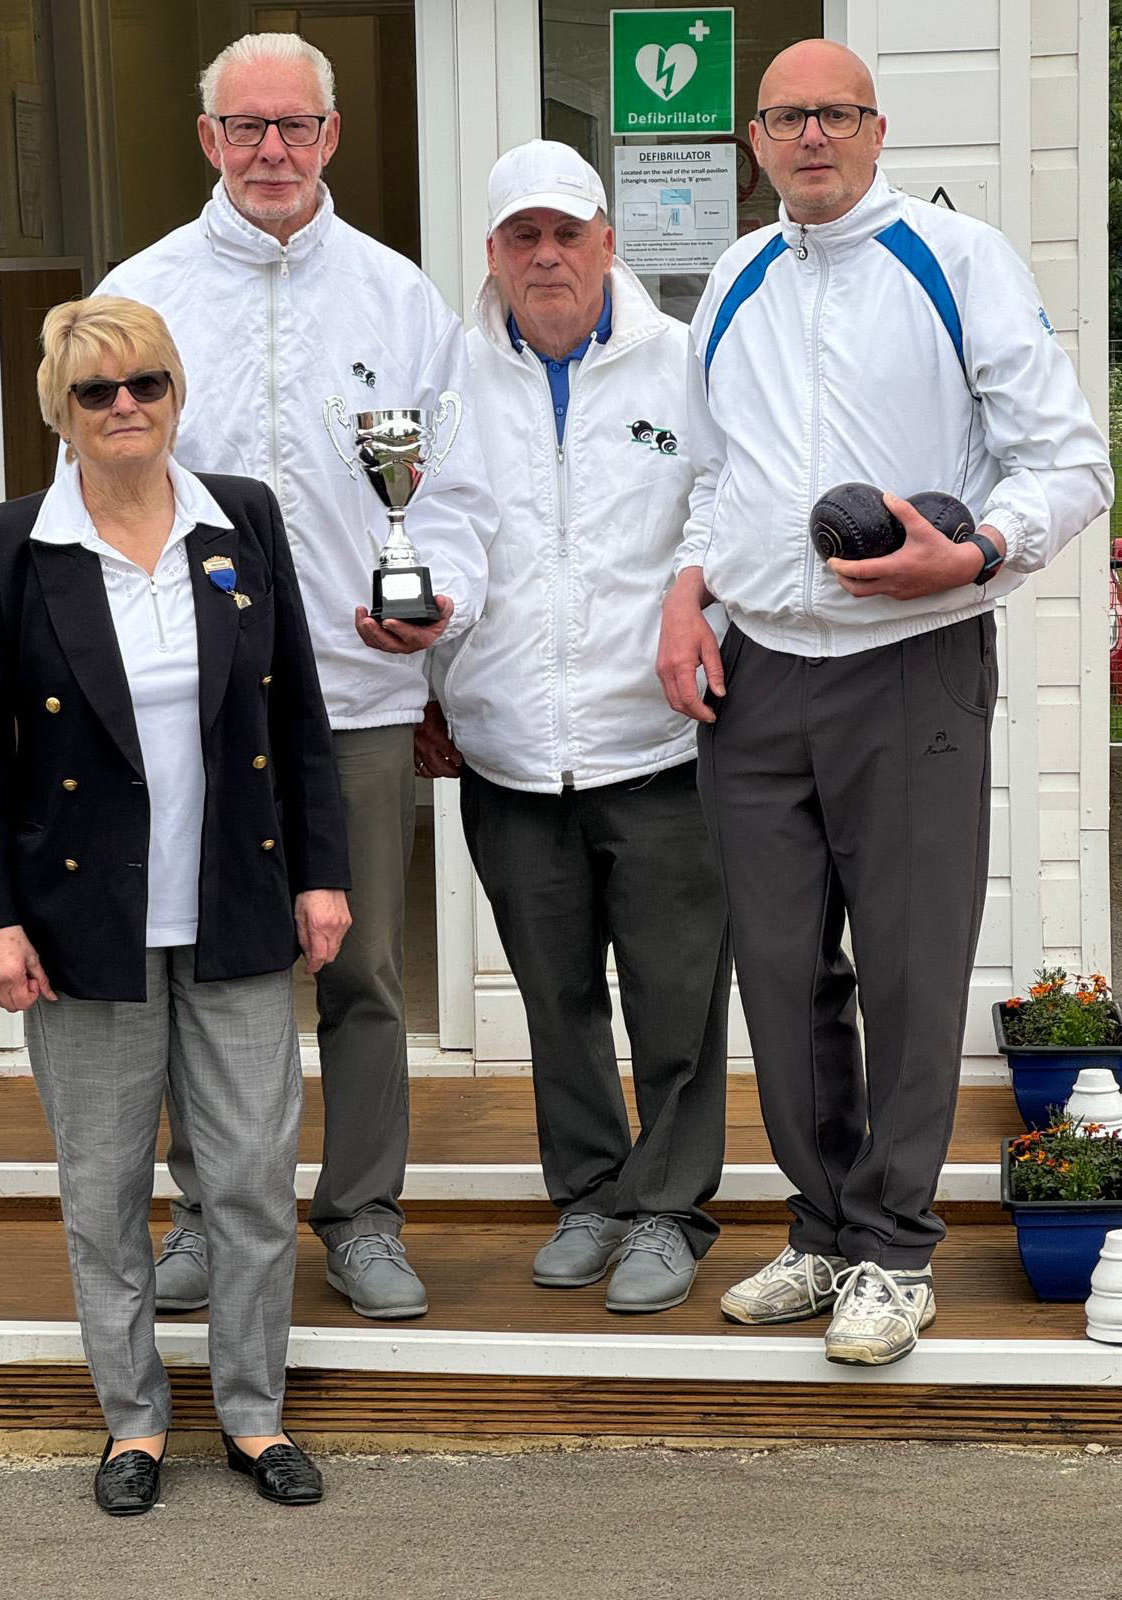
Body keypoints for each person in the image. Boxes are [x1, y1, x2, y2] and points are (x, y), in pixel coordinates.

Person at [657, 39, 1113, 1363]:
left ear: (875, 129)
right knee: (783, 970)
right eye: (787, 117)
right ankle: (822, 1231)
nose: (811, 137)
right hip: (755, 678)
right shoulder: (735, 276)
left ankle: (898, 1249)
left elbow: (1069, 462)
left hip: (909, 663)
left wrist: (969, 554)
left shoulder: (953, 261)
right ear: (755, 138)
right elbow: (712, 473)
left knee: (911, 970)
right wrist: (690, 593)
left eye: (835, 115)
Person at [93, 31, 495, 1321]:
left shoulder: (399, 300)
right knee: (205, 971)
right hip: (187, 708)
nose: (274, 150)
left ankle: (364, 1214)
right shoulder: (145, 295)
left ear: (330, 137)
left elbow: (460, 495)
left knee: (366, 969)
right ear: (209, 140)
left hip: (361, 697)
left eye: (297, 127)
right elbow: (90, 492)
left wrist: (440, 601)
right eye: (248, 128)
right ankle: (208, 1211)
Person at [0, 296, 349, 1512]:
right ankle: (131, 1422)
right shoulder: (8, 545)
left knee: (248, 1180)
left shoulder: (243, 523)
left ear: (177, 396)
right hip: (80, 927)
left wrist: (321, 873)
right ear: (59, 414)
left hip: (232, 904)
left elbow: (297, 719)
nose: (127, 408)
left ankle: (254, 1414)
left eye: (149, 385)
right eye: (98, 392)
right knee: (105, 1189)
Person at [418, 141, 730, 1313]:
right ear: (492, 255)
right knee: (556, 999)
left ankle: (670, 1209)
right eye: (521, 238)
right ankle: (591, 1195)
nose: (546, 257)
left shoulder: (683, 363)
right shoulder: (446, 377)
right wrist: (431, 687)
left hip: (654, 743)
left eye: (567, 234)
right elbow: (428, 536)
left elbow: (726, 502)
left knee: (677, 998)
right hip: (506, 750)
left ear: (608, 240)